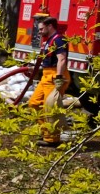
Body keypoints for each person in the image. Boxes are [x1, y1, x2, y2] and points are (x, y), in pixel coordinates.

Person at [27, 15, 69, 146]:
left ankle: (52, 139)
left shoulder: (59, 40)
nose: (39, 32)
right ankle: (45, 131)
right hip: (46, 76)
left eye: (41, 29)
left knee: (50, 108)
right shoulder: (49, 41)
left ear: (50, 26)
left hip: (54, 77)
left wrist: (59, 78)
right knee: (34, 103)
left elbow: (62, 59)